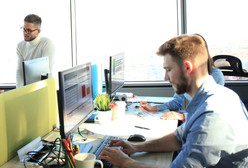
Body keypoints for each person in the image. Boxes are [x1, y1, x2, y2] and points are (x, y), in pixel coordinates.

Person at [99, 34, 248, 167]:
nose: (166, 78)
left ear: (187, 67)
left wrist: (125, 162)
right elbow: (178, 138)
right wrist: (136, 147)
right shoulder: (214, 97)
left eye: (168, 69)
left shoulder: (211, 115)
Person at [140, 35, 225, 121]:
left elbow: (209, 114)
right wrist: (154, 108)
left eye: (169, 69)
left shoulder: (215, 77)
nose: (166, 78)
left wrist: (182, 116)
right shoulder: (184, 80)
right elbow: (176, 102)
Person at [16, 14, 55, 88]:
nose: (25, 33)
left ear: (38, 31)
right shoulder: (20, 46)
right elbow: (20, 71)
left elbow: (46, 72)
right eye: (24, 29)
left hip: (44, 87)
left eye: (29, 31)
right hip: (28, 88)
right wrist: (19, 92)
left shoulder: (46, 43)